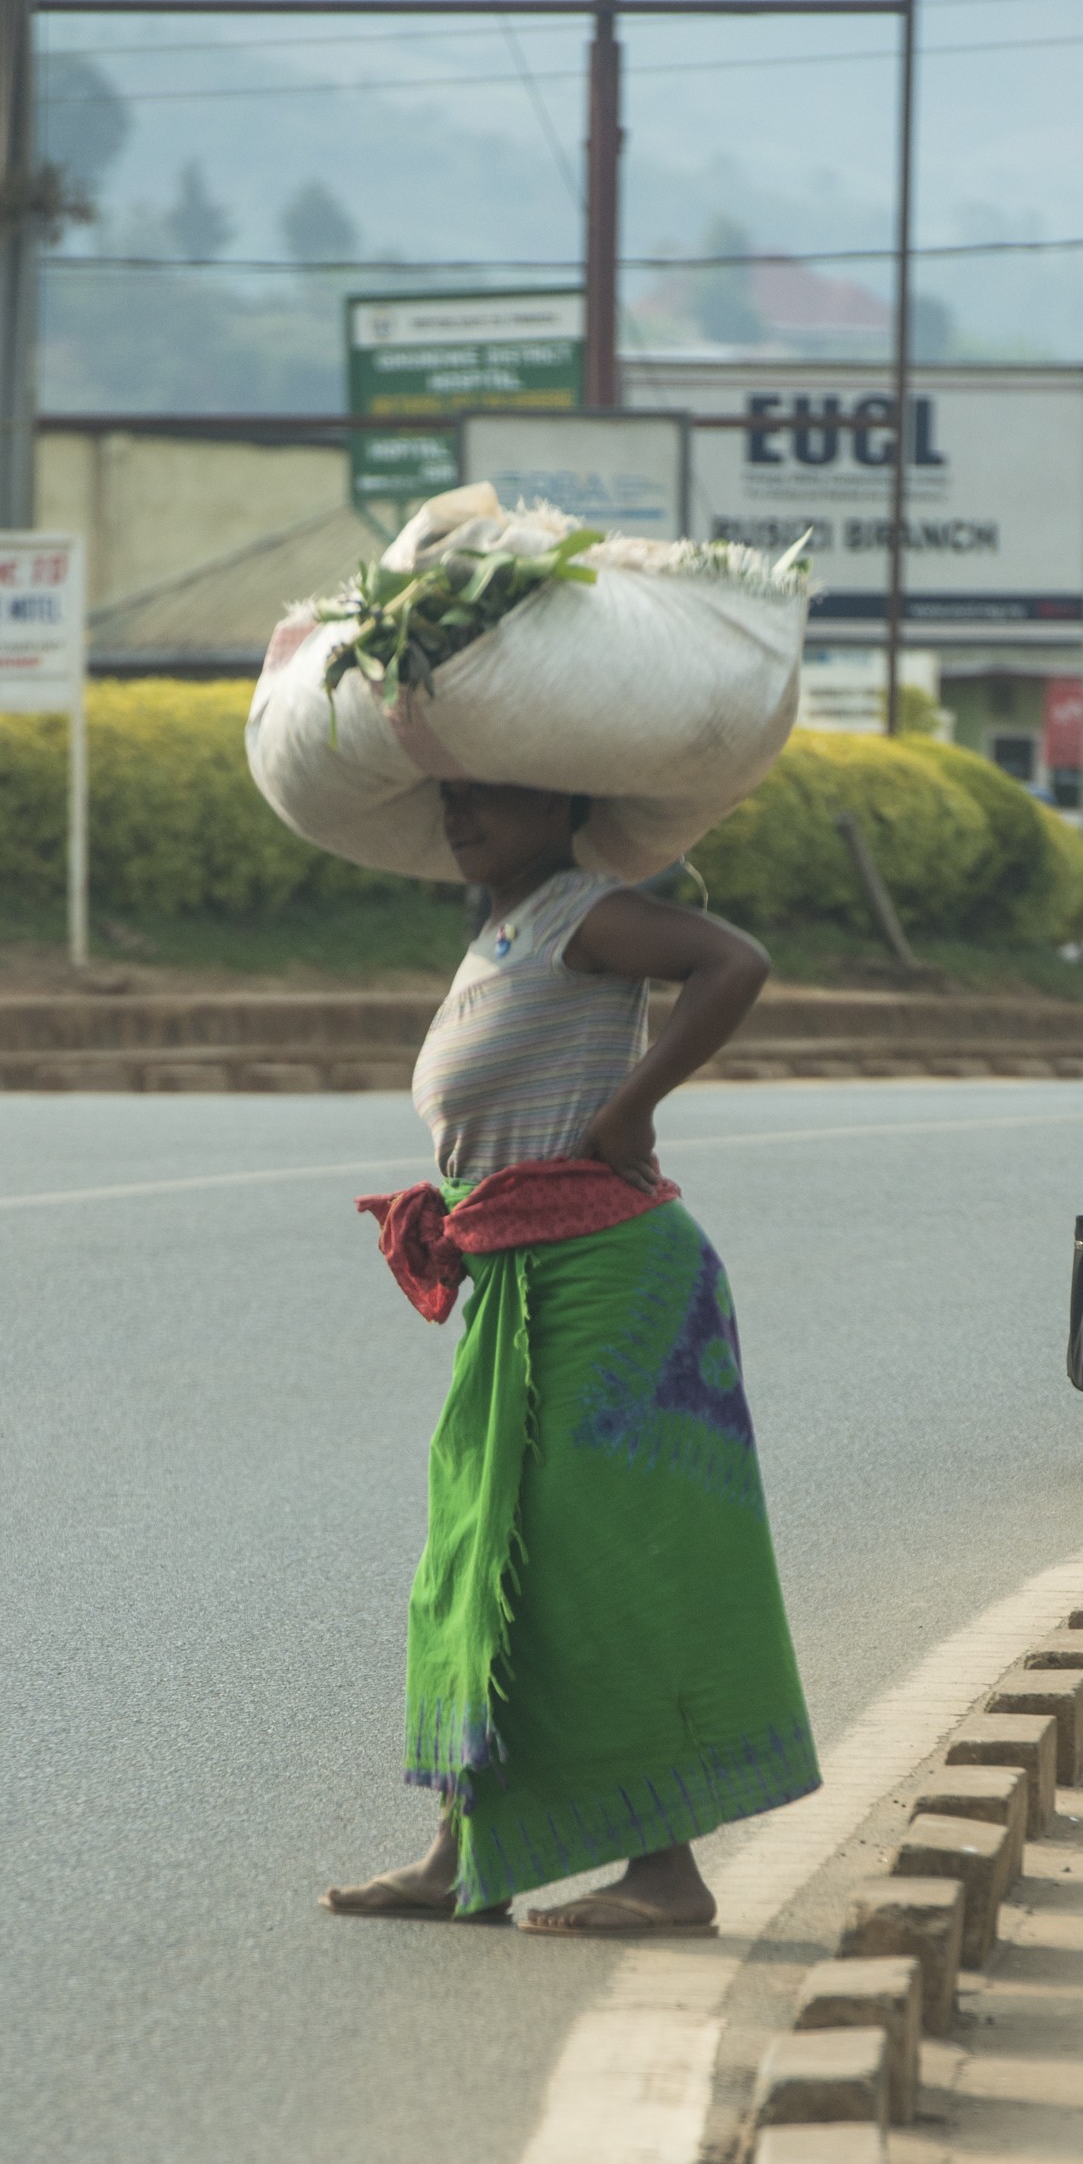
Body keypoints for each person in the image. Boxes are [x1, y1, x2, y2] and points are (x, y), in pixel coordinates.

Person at [325, 780, 819, 1935]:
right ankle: (461, 1851)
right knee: (476, 1550)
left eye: (491, 797)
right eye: (453, 796)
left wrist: (627, 1113)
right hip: (520, 1282)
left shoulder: (581, 912)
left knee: (603, 1567)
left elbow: (732, 962)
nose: (461, 814)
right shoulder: (496, 930)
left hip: (610, 1278)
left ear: (560, 806)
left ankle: (665, 1871)